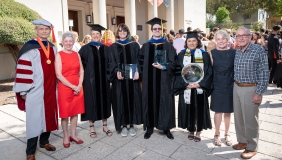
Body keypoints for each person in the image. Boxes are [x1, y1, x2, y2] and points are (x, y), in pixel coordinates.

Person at [13, 19, 58, 160]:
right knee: (34, 119)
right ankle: (30, 151)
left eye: (47, 29)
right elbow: (23, 71)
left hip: (50, 89)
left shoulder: (52, 47)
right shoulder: (29, 47)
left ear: (50, 31)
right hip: (35, 90)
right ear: (36, 30)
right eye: (41, 29)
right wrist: (24, 91)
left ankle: (44, 141)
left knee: (49, 115)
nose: (44, 31)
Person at [232, 27, 269, 159]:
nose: (241, 38)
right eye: (238, 36)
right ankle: (242, 141)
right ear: (235, 38)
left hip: (251, 88)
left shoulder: (258, 50)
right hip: (236, 87)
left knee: (250, 119)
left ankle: (252, 146)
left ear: (250, 37)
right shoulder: (237, 50)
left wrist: (258, 92)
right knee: (239, 118)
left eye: (244, 36)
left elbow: (264, 72)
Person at [139, 17, 177, 140]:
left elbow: (174, 63)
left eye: (159, 28)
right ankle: (150, 127)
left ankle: (166, 128)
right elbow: (140, 63)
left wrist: (164, 67)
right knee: (149, 101)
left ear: (162, 30)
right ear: (151, 30)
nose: (156, 30)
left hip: (164, 81)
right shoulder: (145, 46)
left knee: (165, 101)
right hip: (149, 80)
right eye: (154, 28)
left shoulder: (168, 46)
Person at [173, 31, 213, 142]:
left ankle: (198, 131)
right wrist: (185, 85)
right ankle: (191, 129)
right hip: (187, 88)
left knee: (198, 109)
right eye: (189, 41)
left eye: (194, 41)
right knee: (188, 108)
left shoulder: (204, 54)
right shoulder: (181, 55)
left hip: (200, 87)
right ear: (186, 42)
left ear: (198, 42)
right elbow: (178, 71)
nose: (191, 43)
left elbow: (209, 71)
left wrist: (200, 84)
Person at [79, 24, 113, 138]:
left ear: (100, 35)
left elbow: (110, 64)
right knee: (90, 102)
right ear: (91, 35)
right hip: (90, 81)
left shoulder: (106, 48)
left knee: (104, 101)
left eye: (97, 34)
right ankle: (91, 126)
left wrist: (109, 77)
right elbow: (80, 66)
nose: (95, 36)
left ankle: (105, 125)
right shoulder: (84, 49)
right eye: (93, 34)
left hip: (104, 81)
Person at [109, 23, 142, 137]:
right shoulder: (113, 47)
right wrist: (116, 70)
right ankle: (123, 125)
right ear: (117, 33)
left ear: (127, 32)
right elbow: (111, 62)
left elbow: (139, 59)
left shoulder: (134, 45)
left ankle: (132, 125)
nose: (122, 32)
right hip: (120, 80)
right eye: (120, 31)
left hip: (132, 78)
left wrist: (137, 70)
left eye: (124, 30)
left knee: (132, 99)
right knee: (120, 100)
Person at [55, 31, 85, 148]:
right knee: (65, 113)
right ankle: (66, 136)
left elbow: (81, 71)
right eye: (66, 41)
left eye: (70, 41)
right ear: (62, 42)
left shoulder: (76, 54)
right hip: (65, 87)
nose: (68, 43)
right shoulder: (59, 55)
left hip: (78, 86)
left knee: (75, 112)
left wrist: (80, 84)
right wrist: (73, 86)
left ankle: (73, 134)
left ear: (73, 42)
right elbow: (58, 74)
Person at [210, 30, 236, 146]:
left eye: (223, 38)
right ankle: (216, 134)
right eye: (218, 39)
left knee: (228, 111)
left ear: (227, 39)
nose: (221, 41)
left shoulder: (234, 52)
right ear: (216, 40)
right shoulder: (212, 53)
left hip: (230, 84)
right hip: (217, 84)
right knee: (218, 110)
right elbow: (209, 70)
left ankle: (227, 133)